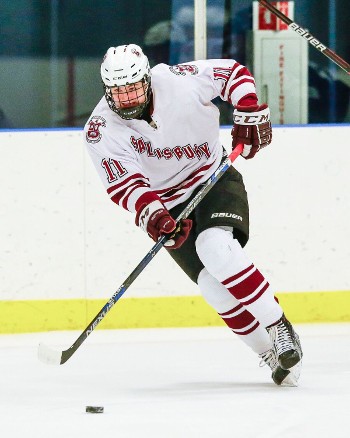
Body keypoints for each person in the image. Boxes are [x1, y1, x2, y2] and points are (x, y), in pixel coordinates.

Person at [84, 44, 303, 386]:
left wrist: (246, 107)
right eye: (118, 92)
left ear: (147, 79)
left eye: (133, 88)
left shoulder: (176, 81)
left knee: (215, 248)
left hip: (213, 176)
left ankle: (279, 327)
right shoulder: (101, 129)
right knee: (212, 288)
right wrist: (154, 217)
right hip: (166, 205)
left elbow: (232, 73)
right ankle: (269, 353)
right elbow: (125, 185)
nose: (126, 98)